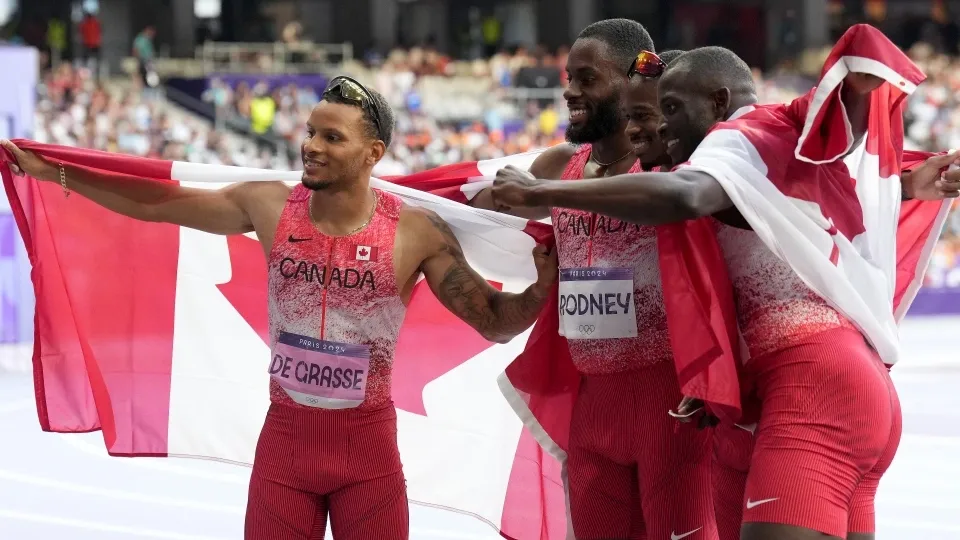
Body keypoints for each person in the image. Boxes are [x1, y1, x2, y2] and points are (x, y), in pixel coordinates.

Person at [1, 76, 557, 540]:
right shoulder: (269, 206)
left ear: (373, 154)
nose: (311, 145)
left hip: (367, 454)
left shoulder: (414, 233)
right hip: (284, 448)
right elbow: (160, 204)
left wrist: (539, 291)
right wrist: (56, 173)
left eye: (331, 137)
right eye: (310, 131)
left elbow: (493, 321)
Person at [489, 44, 960, 540]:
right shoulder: (752, 151)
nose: (651, 128)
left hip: (808, 383)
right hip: (769, 393)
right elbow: (810, 183)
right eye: (636, 116)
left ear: (716, 102)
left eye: (662, 111)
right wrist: (904, 183)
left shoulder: (734, 139)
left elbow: (686, 194)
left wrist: (539, 193)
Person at [474, 21, 718, 540]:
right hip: (593, 405)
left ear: (631, 81)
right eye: (569, 77)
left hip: (669, 399)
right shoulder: (558, 167)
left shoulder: (671, 164)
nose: (570, 91)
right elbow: (477, 204)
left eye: (587, 78)